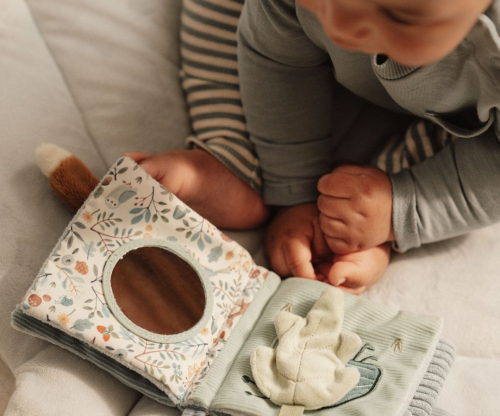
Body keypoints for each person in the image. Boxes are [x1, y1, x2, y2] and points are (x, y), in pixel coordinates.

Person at [126, 0, 500, 295]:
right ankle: (232, 153)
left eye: (399, 15)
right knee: (232, 17)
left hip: (453, 112)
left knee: (452, 162)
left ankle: (369, 221)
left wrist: (401, 207)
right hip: (277, 41)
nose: (338, 26)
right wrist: (293, 185)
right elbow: (274, 58)